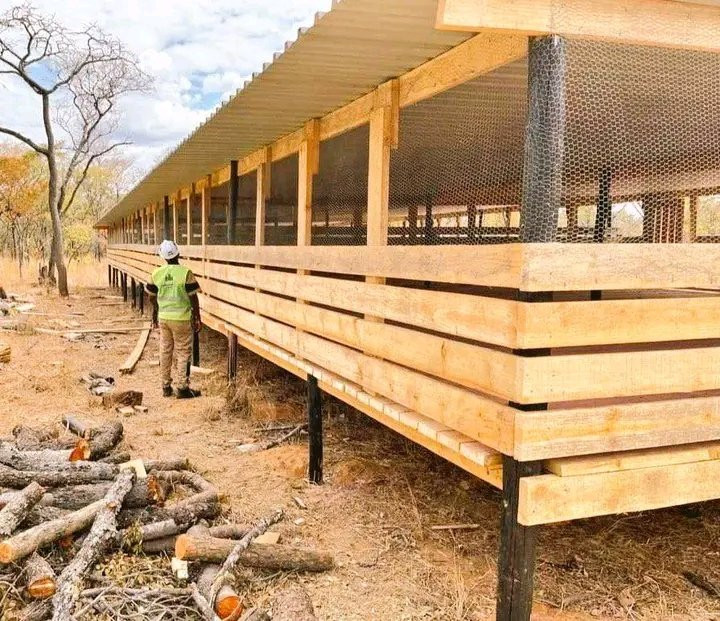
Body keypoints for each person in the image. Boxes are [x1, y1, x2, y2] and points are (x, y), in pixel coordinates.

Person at [146, 240, 202, 399]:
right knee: (183, 351)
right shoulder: (186, 273)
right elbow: (193, 297)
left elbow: (151, 297)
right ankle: (182, 388)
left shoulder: (156, 274)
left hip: (164, 318)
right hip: (182, 319)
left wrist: (156, 312)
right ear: (178, 253)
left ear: (163, 256)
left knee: (165, 351)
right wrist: (197, 317)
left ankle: (165, 386)